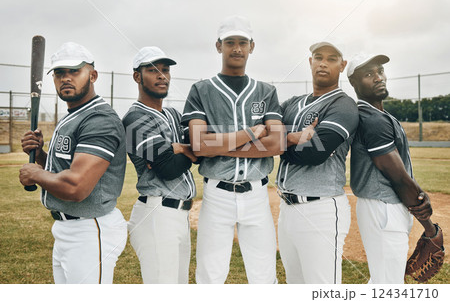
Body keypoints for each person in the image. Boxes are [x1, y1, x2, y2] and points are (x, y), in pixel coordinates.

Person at [181, 15, 285, 284]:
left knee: (264, 276)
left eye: (242, 42)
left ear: (252, 46)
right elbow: (197, 143)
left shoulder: (265, 91)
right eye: (230, 42)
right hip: (217, 195)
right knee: (210, 275)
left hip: (257, 194)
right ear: (219, 46)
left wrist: (217, 145)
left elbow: (277, 142)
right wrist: (250, 134)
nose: (236, 48)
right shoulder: (201, 89)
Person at [19, 42, 127, 284]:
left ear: (93, 75)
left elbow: (76, 186)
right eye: (59, 73)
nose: (66, 78)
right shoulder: (76, 115)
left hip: (90, 230)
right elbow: (63, 172)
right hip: (69, 228)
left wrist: (35, 174)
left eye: (74, 71)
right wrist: (40, 156)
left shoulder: (99, 120)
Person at [347, 53, 439, 283]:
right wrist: (429, 229)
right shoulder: (372, 119)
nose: (379, 77)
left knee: (382, 281)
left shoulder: (378, 115)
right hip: (384, 209)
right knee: (389, 286)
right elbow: (398, 177)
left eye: (380, 71)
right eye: (369, 74)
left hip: (385, 208)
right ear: (354, 83)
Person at [276, 42, 359, 284]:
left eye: (332, 58)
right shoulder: (293, 102)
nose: (323, 62)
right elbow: (262, 135)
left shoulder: (343, 105)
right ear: (309, 62)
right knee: (296, 285)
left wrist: (277, 144)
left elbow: (314, 154)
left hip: (320, 208)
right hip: (286, 209)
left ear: (342, 66)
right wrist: (293, 137)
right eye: (318, 57)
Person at [122, 46, 197, 284]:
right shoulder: (134, 118)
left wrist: (178, 148)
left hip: (178, 214)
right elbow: (168, 168)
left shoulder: (174, 114)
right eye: (153, 70)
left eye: (165, 70)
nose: (162, 75)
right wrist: (185, 149)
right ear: (137, 76)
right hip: (157, 214)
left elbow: (201, 147)